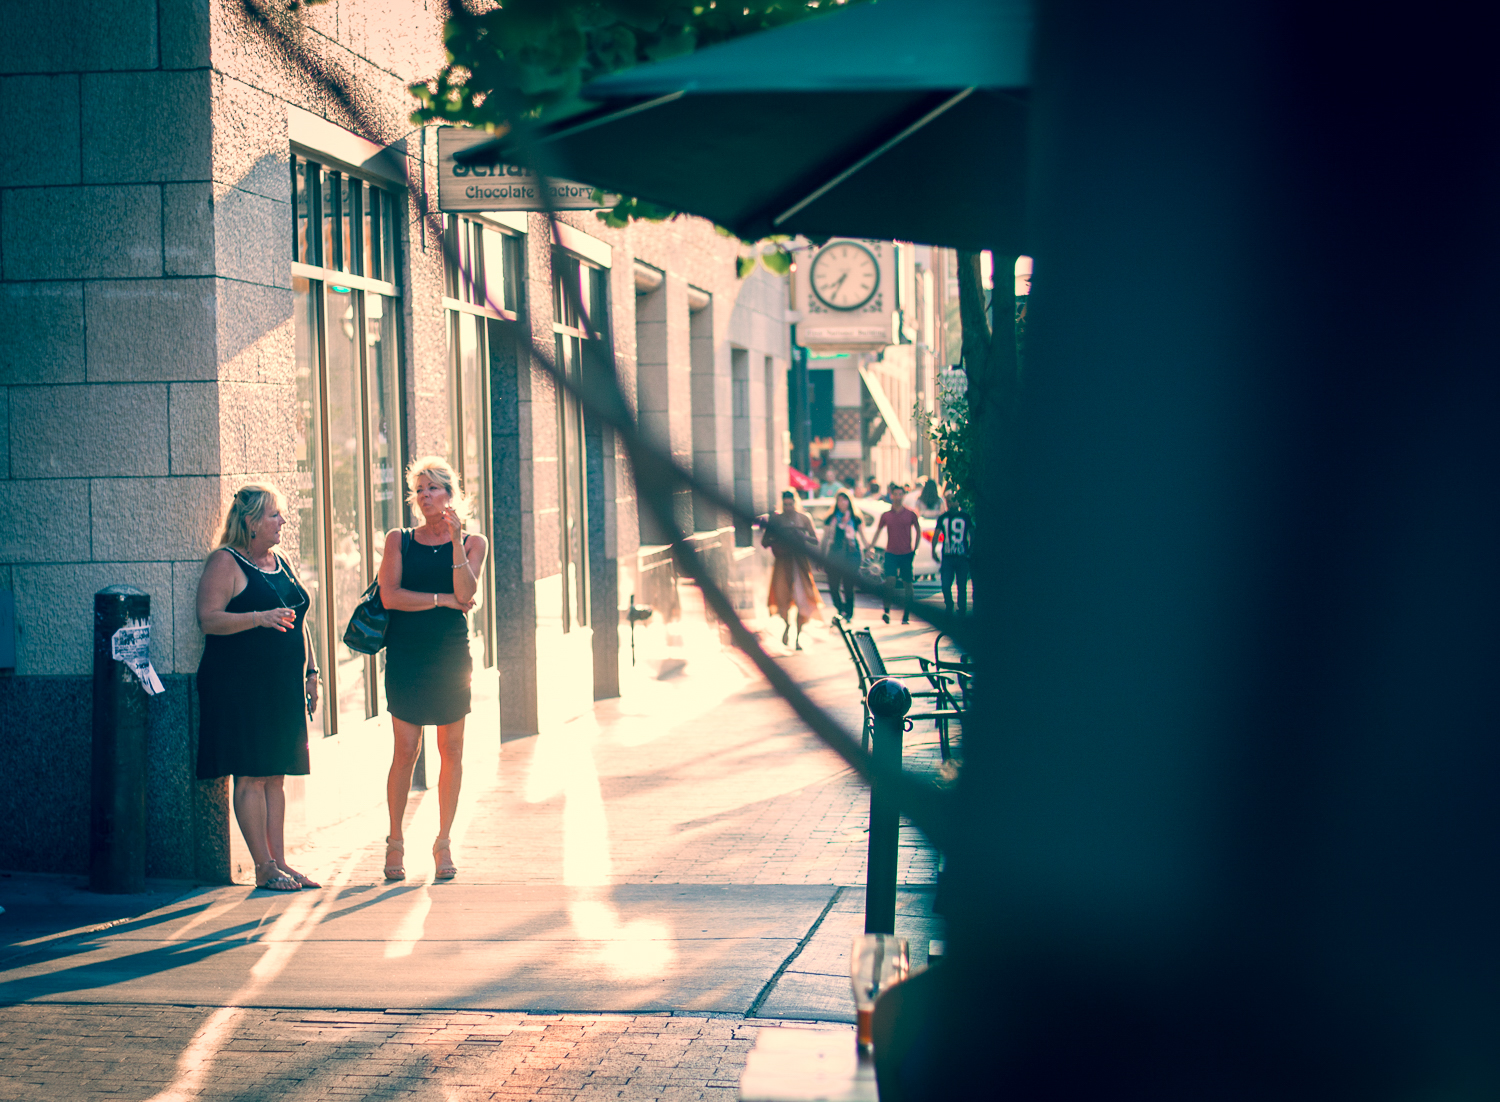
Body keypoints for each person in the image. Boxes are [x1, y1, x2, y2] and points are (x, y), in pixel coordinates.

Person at [196, 484, 320, 892]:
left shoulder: (279, 560)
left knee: (277, 776)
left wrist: (312, 672)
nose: (282, 521)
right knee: (251, 774)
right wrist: (258, 618)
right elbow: (209, 619)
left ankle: (280, 861)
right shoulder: (225, 562)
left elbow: (298, 620)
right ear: (250, 522)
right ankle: (262, 866)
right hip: (240, 688)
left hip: (283, 686)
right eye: (274, 515)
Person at [379, 457, 488, 882]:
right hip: (407, 655)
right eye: (419, 490)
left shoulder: (473, 541)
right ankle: (394, 840)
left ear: (450, 494)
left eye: (432, 489)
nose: (424, 496)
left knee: (453, 750)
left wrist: (457, 538)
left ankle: (443, 842)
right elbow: (391, 596)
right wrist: (442, 601)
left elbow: (467, 590)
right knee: (405, 751)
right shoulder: (399, 540)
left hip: (449, 655)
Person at [764, 490, 824, 649]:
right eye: (786, 504)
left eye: (791, 504)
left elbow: (815, 540)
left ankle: (797, 637)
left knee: (802, 599)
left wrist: (801, 536)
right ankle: (786, 626)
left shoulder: (804, 518)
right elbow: (765, 541)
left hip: (800, 563)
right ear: (782, 504)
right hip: (783, 562)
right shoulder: (777, 519)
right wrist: (778, 538)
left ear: (795, 503)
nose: (788, 507)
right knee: (782, 598)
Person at [874, 492, 922, 625]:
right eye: (896, 494)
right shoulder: (886, 515)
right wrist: (871, 546)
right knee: (890, 581)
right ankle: (887, 611)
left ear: (903, 496)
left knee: (908, 583)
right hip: (890, 553)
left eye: (900, 494)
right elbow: (878, 530)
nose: (898, 497)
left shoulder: (910, 514)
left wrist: (915, 548)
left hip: (906, 553)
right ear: (892, 496)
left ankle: (906, 614)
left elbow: (918, 529)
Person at [820, 491, 866, 620]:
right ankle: (840, 608)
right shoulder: (831, 518)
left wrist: (869, 548)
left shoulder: (855, 518)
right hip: (834, 555)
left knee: (848, 586)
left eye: (845, 500)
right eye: (839, 500)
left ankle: (849, 612)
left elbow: (862, 537)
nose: (842, 503)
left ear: (849, 502)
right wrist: (821, 557)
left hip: (852, 555)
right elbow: (825, 538)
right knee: (833, 586)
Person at [934, 493, 975, 615]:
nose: (951, 503)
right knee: (945, 584)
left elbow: (972, 534)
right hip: (947, 556)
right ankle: (949, 603)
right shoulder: (943, 518)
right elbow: (936, 534)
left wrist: (970, 550)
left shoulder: (965, 517)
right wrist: (933, 549)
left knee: (961, 585)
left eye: (953, 501)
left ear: (958, 502)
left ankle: (961, 608)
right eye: (949, 501)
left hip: (962, 556)